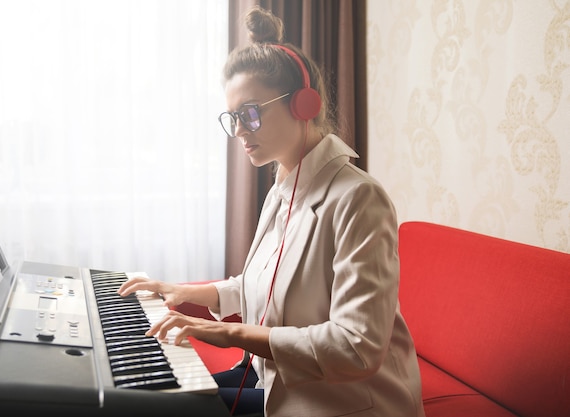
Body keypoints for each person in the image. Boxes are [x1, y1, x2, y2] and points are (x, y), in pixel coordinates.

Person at [118, 6, 425, 417]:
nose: (240, 131)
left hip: (344, 404)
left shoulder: (359, 200)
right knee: (144, 393)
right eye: (233, 118)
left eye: (250, 113)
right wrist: (186, 293)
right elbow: (266, 283)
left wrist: (228, 333)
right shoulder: (283, 189)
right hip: (283, 386)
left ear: (304, 104)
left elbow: (356, 347)